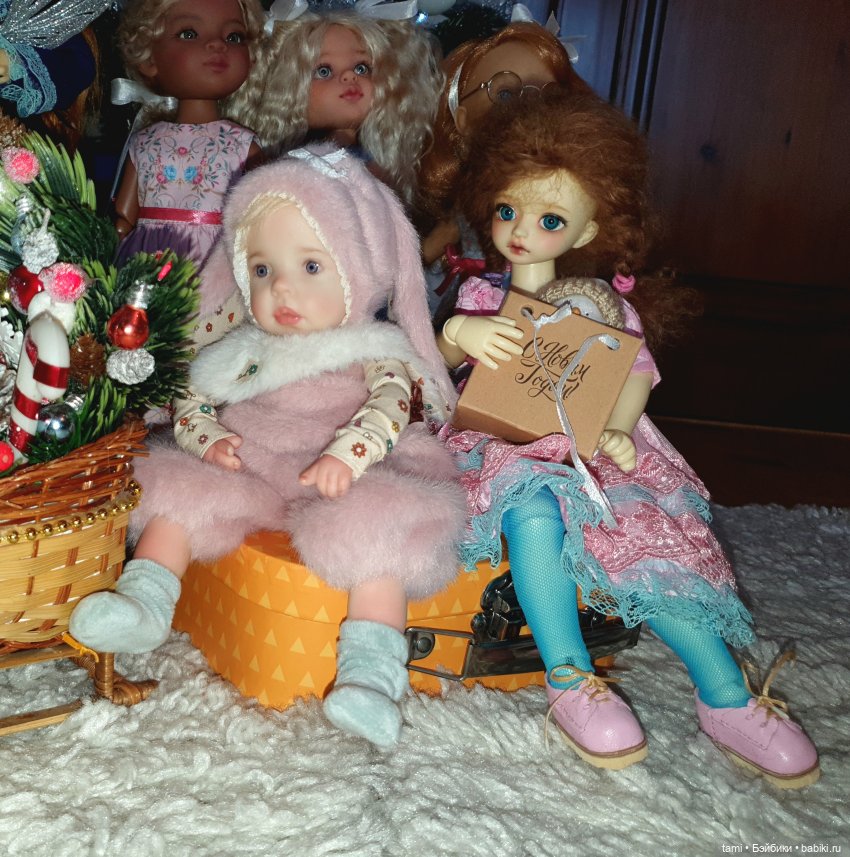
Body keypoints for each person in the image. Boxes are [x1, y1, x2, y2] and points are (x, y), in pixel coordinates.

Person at [437, 91, 820, 788]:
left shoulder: (603, 307)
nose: (520, 230)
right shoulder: (485, 297)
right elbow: (442, 350)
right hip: (503, 437)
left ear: (588, 228)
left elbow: (635, 370)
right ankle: (569, 677)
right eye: (508, 210)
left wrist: (617, 425)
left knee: (644, 537)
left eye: (550, 219)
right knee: (532, 510)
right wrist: (462, 330)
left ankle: (725, 696)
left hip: (593, 442)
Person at [70, 145, 466, 751]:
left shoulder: (371, 346)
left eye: (310, 266)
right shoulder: (245, 347)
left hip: (349, 474)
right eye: (261, 270)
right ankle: (146, 602)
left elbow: (391, 404)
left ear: (360, 272)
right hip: (254, 465)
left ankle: (371, 676)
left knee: (376, 531)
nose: (281, 287)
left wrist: (349, 453)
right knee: (177, 490)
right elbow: (192, 401)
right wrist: (208, 440)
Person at [416, 20, 592, 314]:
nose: (527, 107)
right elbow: (437, 243)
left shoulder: (567, 191)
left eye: (546, 96)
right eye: (506, 94)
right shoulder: (467, 202)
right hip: (476, 300)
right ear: (462, 120)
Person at [111, 0, 266, 271]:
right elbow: (124, 215)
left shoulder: (242, 145)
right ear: (149, 58)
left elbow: (264, 212)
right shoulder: (145, 142)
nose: (217, 45)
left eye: (234, 37)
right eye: (189, 34)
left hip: (216, 260)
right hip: (149, 260)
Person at [233, 7, 442, 205]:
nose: (349, 76)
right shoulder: (293, 166)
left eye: (361, 68)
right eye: (324, 71)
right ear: (289, 89)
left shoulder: (381, 164)